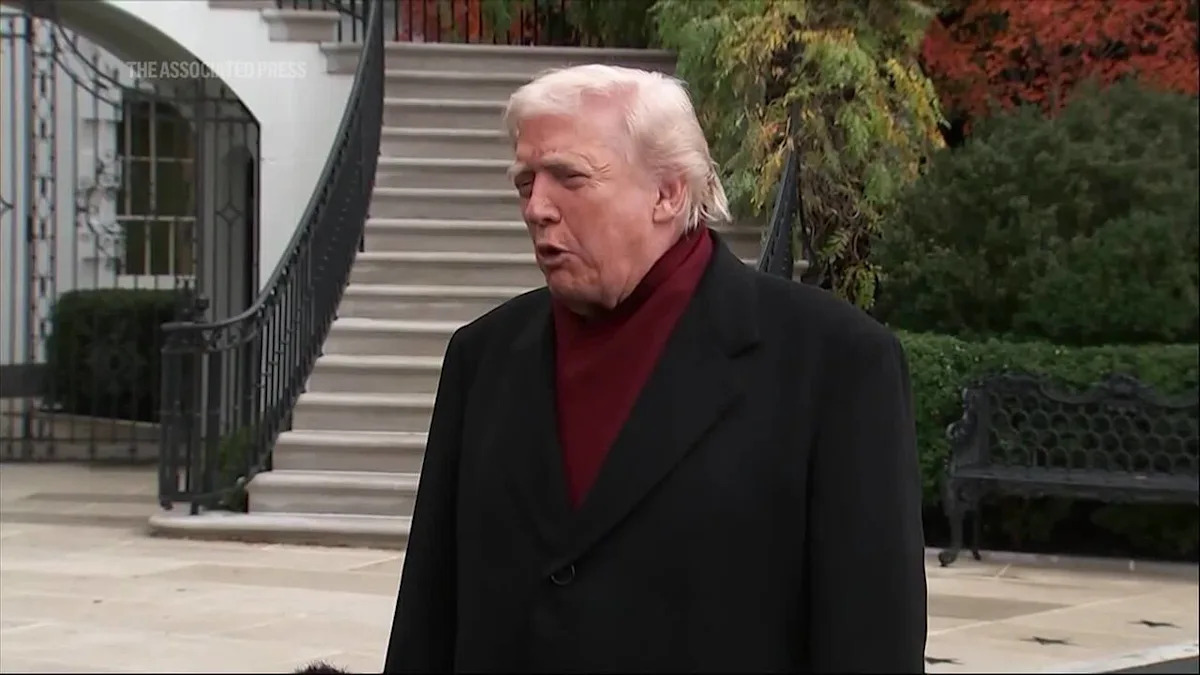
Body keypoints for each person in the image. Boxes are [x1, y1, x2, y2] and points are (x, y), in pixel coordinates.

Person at [383, 64, 927, 673]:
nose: (536, 208)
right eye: (525, 182)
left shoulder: (836, 363)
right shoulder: (482, 355)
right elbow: (428, 616)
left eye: (569, 177)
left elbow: (870, 640)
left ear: (667, 193)